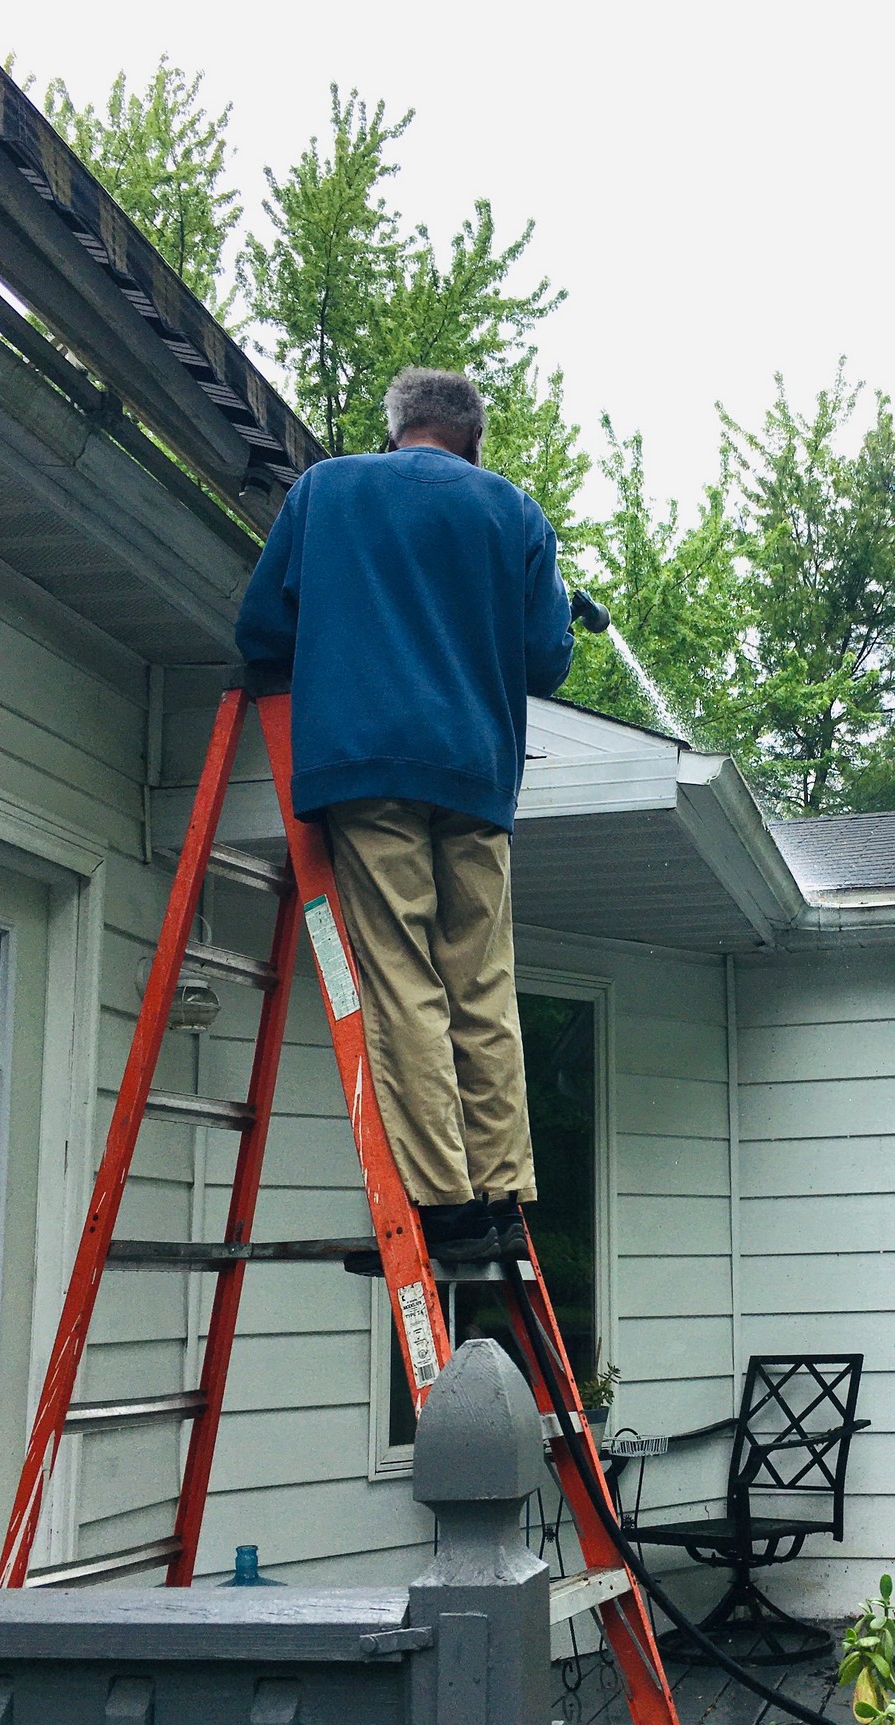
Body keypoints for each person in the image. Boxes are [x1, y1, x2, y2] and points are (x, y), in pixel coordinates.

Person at [233, 367, 574, 1263]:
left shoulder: (327, 490)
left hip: (368, 768)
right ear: (471, 436)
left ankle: (444, 1205)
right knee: (480, 982)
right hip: (476, 778)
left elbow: (262, 630)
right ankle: (500, 1195)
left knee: (403, 975)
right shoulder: (514, 513)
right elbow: (545, 662)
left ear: (397, 427)